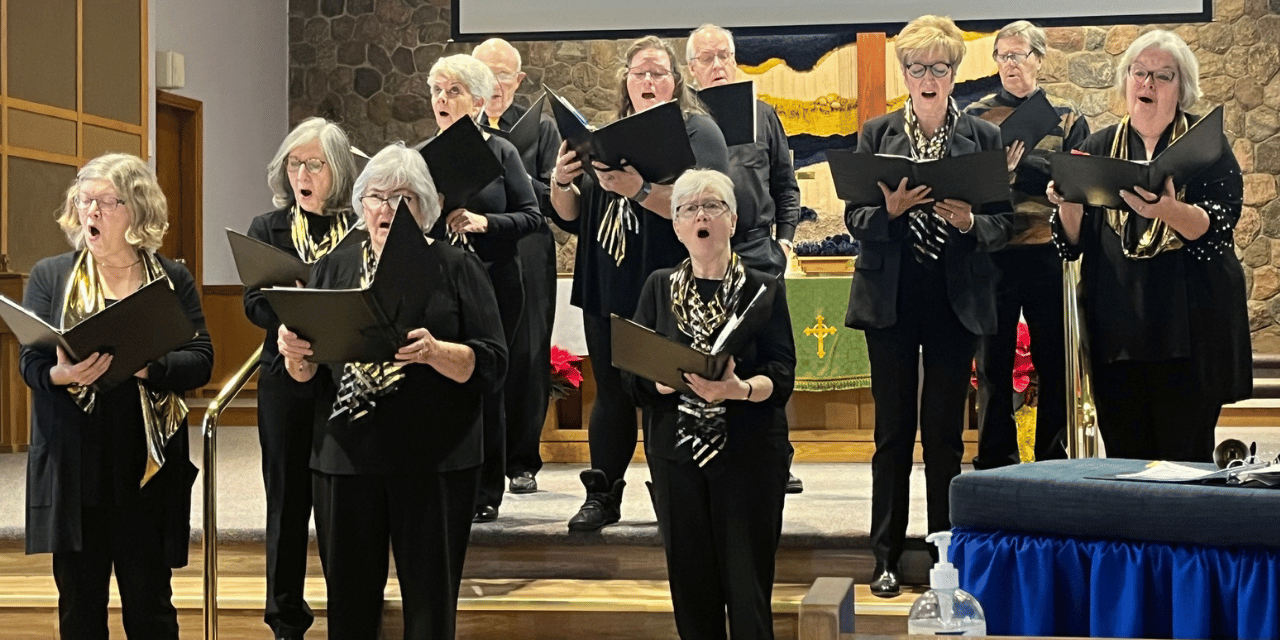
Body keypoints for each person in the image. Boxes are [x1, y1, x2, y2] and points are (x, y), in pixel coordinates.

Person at [277, 143, 507, 640]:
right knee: (350, 607)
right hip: (346, 459)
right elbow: (308, 380)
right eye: (377, 196)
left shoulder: (457, 267)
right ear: (361, 205)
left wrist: (438, 353)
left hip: (435, 461)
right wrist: (295, 357)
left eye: (402, 197)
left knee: (429, 605)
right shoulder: (333, 269)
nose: (386, 209)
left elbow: (492, 364)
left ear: (424, 208)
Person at [842, 15, 1013, 598]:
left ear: (955, 73)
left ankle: (946, 555)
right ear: (905, 74)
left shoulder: (983, 138)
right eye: (917, 67)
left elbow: (1003, 222)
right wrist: (888, 212)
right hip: (890, 299)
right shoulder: (877, 133)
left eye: (939, 66)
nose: (928, 77)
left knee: (942, 435)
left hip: (952, 302)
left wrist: (970, 220)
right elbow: (854, 218)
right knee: (892, 433)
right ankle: (885, 555)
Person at [20, 153, 213, 639]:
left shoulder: (170, 279)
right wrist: (62, 375)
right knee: (80, 606)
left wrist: (150, 364)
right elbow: (30, 362)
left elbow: (202, 359)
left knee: (150, 606)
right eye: (84, 201)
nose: (91, 213)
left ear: (138, 210)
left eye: (106, 202)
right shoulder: (51, 276)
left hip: (146, 466)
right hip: (75, 464)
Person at [551, 35, 730, 531]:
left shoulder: (697, 130)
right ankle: (602, 494)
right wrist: (562, 183)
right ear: (625, 83)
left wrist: (641, 190)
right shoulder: (604, 136)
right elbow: (571, 217)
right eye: (638, 73)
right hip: (605, 282)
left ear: (675, 81)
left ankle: (676, 493)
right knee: (609, 395)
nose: (648, 81)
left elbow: (703, 206)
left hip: (664, 286)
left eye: (658, 73)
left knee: (666, 393)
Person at [1048, 29, 1250, 463]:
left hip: (1191, 327)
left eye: (1163, 75)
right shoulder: (1096, 149)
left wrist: (1168, 211)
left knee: (1186, 458)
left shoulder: (1206, 145)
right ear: (1125, 82)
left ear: (1183, 88)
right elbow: (1071, 244)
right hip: (1117, 329)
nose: (1148, 84)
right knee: (1125, 456)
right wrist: (1068, 202)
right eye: (1139, 73)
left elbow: (1218, 228)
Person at [628, 169, 794, 640]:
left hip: (749, 455)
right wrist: (665, 383)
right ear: (677, 226)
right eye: (688, 209)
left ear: (733, 220)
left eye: (712, 206)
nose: (701, 216)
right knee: (691, 588)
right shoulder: (658, 288)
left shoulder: (764, 288)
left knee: (748, 590)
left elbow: (782, 376)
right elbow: (632, 379)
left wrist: (736, 389)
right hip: (676, 456)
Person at [243, 116, 360, 640]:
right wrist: (285, 325)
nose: (302, 173)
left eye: (314, 163)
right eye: (295, 163)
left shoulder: (360, 227)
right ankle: (285, 615)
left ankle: (353, 608)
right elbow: (253, 303)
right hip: (284, 378)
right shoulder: (266, 229)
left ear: (337, 170)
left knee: (343, 500)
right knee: (286, 499)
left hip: (344, 379)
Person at [963, 21, 1090, 469]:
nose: (1010, 64)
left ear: (1039, 58)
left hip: (1046, 249)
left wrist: (1035, 170)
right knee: (993, 365)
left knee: (1053, 363)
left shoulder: (1067, 115)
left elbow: (1079, 178)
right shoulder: (976, 116)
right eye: (1002, 56)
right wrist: (1007, 173)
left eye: (1018, 55)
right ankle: (996, 459)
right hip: (994, 251)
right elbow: (969, 183)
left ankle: (1054, 458)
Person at [686, 23, 805, 495]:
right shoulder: (683, 121)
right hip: (699, 251)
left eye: (724, 56)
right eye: (707, 59)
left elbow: (785, 185)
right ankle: (705, 447)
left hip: (757, 250)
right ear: (691, 69)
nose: (718, 66)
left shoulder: (762, 115)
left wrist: (786, 242)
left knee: (767, 358)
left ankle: (778, 455)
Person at [422, 53, 542, 522]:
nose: (442, 99)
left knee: (486, 380)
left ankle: (486, 490)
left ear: (477, 101)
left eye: (453, 91)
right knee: (441, 377)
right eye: (436, 90)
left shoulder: (501, 152)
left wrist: (483, 221)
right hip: (441, 284)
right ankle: (443, 473)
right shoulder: (420, 156)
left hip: (495, 282)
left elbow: (533, 217)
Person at [472, 38, 562, 496]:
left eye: (503, 75)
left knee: (527, 353)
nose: (494, 84)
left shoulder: (540, 131)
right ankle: (476, 457)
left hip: (526, 245)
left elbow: (555, 200)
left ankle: (522, 461)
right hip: (474, 248)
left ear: (518, 81)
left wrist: (513, 172)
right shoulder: (460, 128)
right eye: (485, 74)